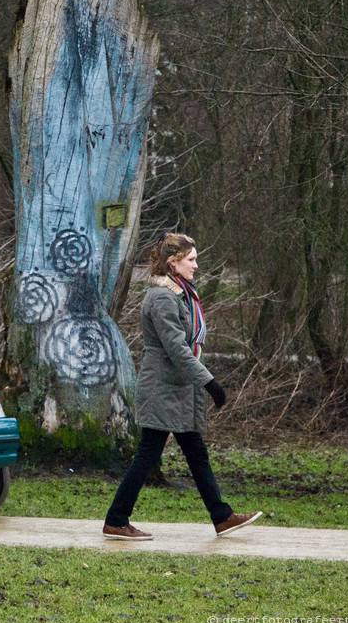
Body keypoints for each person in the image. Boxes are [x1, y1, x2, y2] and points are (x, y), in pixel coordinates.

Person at [103, 232, 262, 541]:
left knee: (196, 453)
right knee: (148, 456)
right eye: (191, 259)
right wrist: (210, 382)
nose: (196, 265)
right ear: (173, 263)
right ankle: (116, 519)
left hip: (178, 390)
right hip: (162, 389)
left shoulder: (180, 293)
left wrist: (201, 383)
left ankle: (222, 516)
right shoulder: (162, 298)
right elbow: (177, 350)